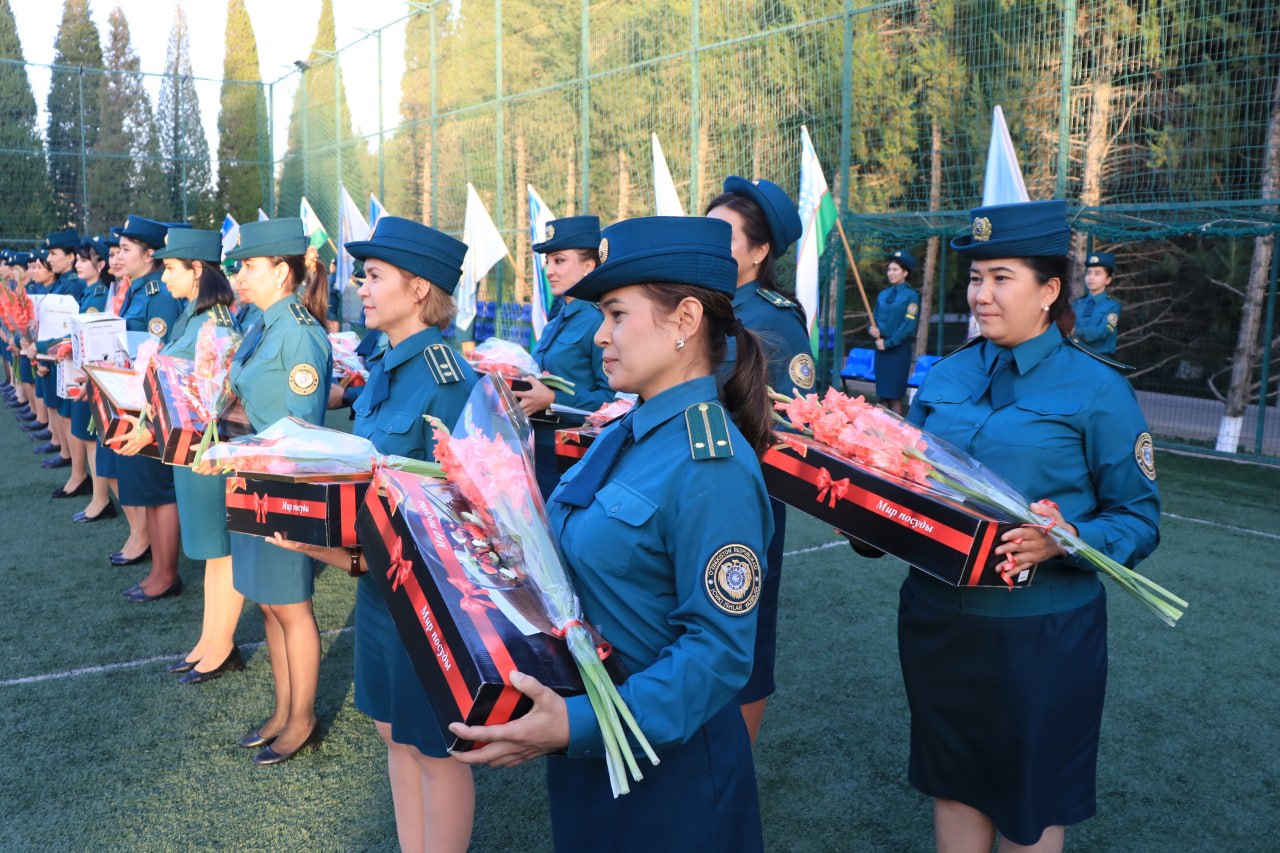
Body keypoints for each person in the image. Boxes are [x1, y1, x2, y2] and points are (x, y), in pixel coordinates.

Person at [449, 216, 776, 852]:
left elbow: (718, 653)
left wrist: (577, 723)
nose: (601, 334)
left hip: (670, 778)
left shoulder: (711, 465)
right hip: (595, 753)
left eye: (617, 314)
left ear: (685, 320)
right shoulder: (628, 431)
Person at [898, 200, 1160, 851]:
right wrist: (861, 510)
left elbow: (1137, 518)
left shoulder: (1098, 389)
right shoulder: (946, 374)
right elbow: (903, 481)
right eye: (975, 277)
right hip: (938, 620)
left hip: (1041, 635)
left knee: (1030, 803)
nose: (981, 295)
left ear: (1048, 291)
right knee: (955, 786)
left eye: (1001, 278)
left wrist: (1066, 539)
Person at [269, 216, 479, 851]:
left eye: (374, 276)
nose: (359, 286)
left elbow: (461, 515)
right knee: (394, 733)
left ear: (418, 289)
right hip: (378, 592)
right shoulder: (386, 362)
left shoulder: (446, 379)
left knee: (437, 749)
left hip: (428, 600)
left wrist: (336, 549)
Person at [212, 217, 332, 765]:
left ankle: (302, 718)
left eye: (249, 267)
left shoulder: (300, 332)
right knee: (267, 602)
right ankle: (283, 710)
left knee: (291, 605)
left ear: (281, 271)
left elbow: (302, 429)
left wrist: (242, 451)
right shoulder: (262, 323)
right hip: (248, 476)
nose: (238, 277)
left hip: (282, 485)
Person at [704, 176, 813, 744]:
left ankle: (735, 768)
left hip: (745, 504)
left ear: (759, 251)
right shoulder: (696, 304)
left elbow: (794, 428)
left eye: (724, 237)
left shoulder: (774, 320)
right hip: (684, 496)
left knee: (742, 630)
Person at [115, 229, 248, 683]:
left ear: (197, 270)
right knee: (212, 554)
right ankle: (209, 641)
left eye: (172, 267)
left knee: (221, 552)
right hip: (188, 450)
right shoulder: (193, 316)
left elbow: (214, 400)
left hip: (209, 451)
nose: (165, 274)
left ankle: (221, 646)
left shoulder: (216, 323)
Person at [514, 215, 614, 500]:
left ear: (588, 266)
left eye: (559, 261)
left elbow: (612, 401)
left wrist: (554, 400)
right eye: (548, 262)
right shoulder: (557, 321)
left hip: (574, 456)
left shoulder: (598, 322)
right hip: (536, 447)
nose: (549, 271)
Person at [108, 216, 184, 584]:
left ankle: (165, 574)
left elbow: (162, 354)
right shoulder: (136, 290)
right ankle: (158, 568)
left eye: (126, 249)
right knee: (147, 491)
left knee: (157, 490)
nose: (119, 256)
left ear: (149, 254)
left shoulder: (159, 295)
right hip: (132, 400)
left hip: (150, 405)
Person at [60, 237, 114, 511]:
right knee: (84, 436)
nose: (78, 264)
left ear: (100, 265)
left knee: (92, 441)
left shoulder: (99, 294)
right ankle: (97, 496)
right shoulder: (88, 292)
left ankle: (100, 499)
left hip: (91, 373)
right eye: (78, 260)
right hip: (81, 372)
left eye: (84, 260)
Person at [869, 249, 920, 416]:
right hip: (881, 349)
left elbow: (908, 326)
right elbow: (875, 319)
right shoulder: (883, 295)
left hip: (898, 350)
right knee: (882, 396)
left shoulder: (911, 296)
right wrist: (873, 330)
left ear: (905, 273)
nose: (891, 273)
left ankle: (897, 430)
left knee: (895, 397)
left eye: (895, 269)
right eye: (889, 269)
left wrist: (888, 343)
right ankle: (878, 430)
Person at [1072, 251, 1121, 356]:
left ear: (1108, 280)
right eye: (1089, 273)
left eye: (1097, 273)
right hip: (1076, 356)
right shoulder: (1077, 303)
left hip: (1100, 358)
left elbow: (1101, 332)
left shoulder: (1112, 306)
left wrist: (1074, 332)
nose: (1091, 277)